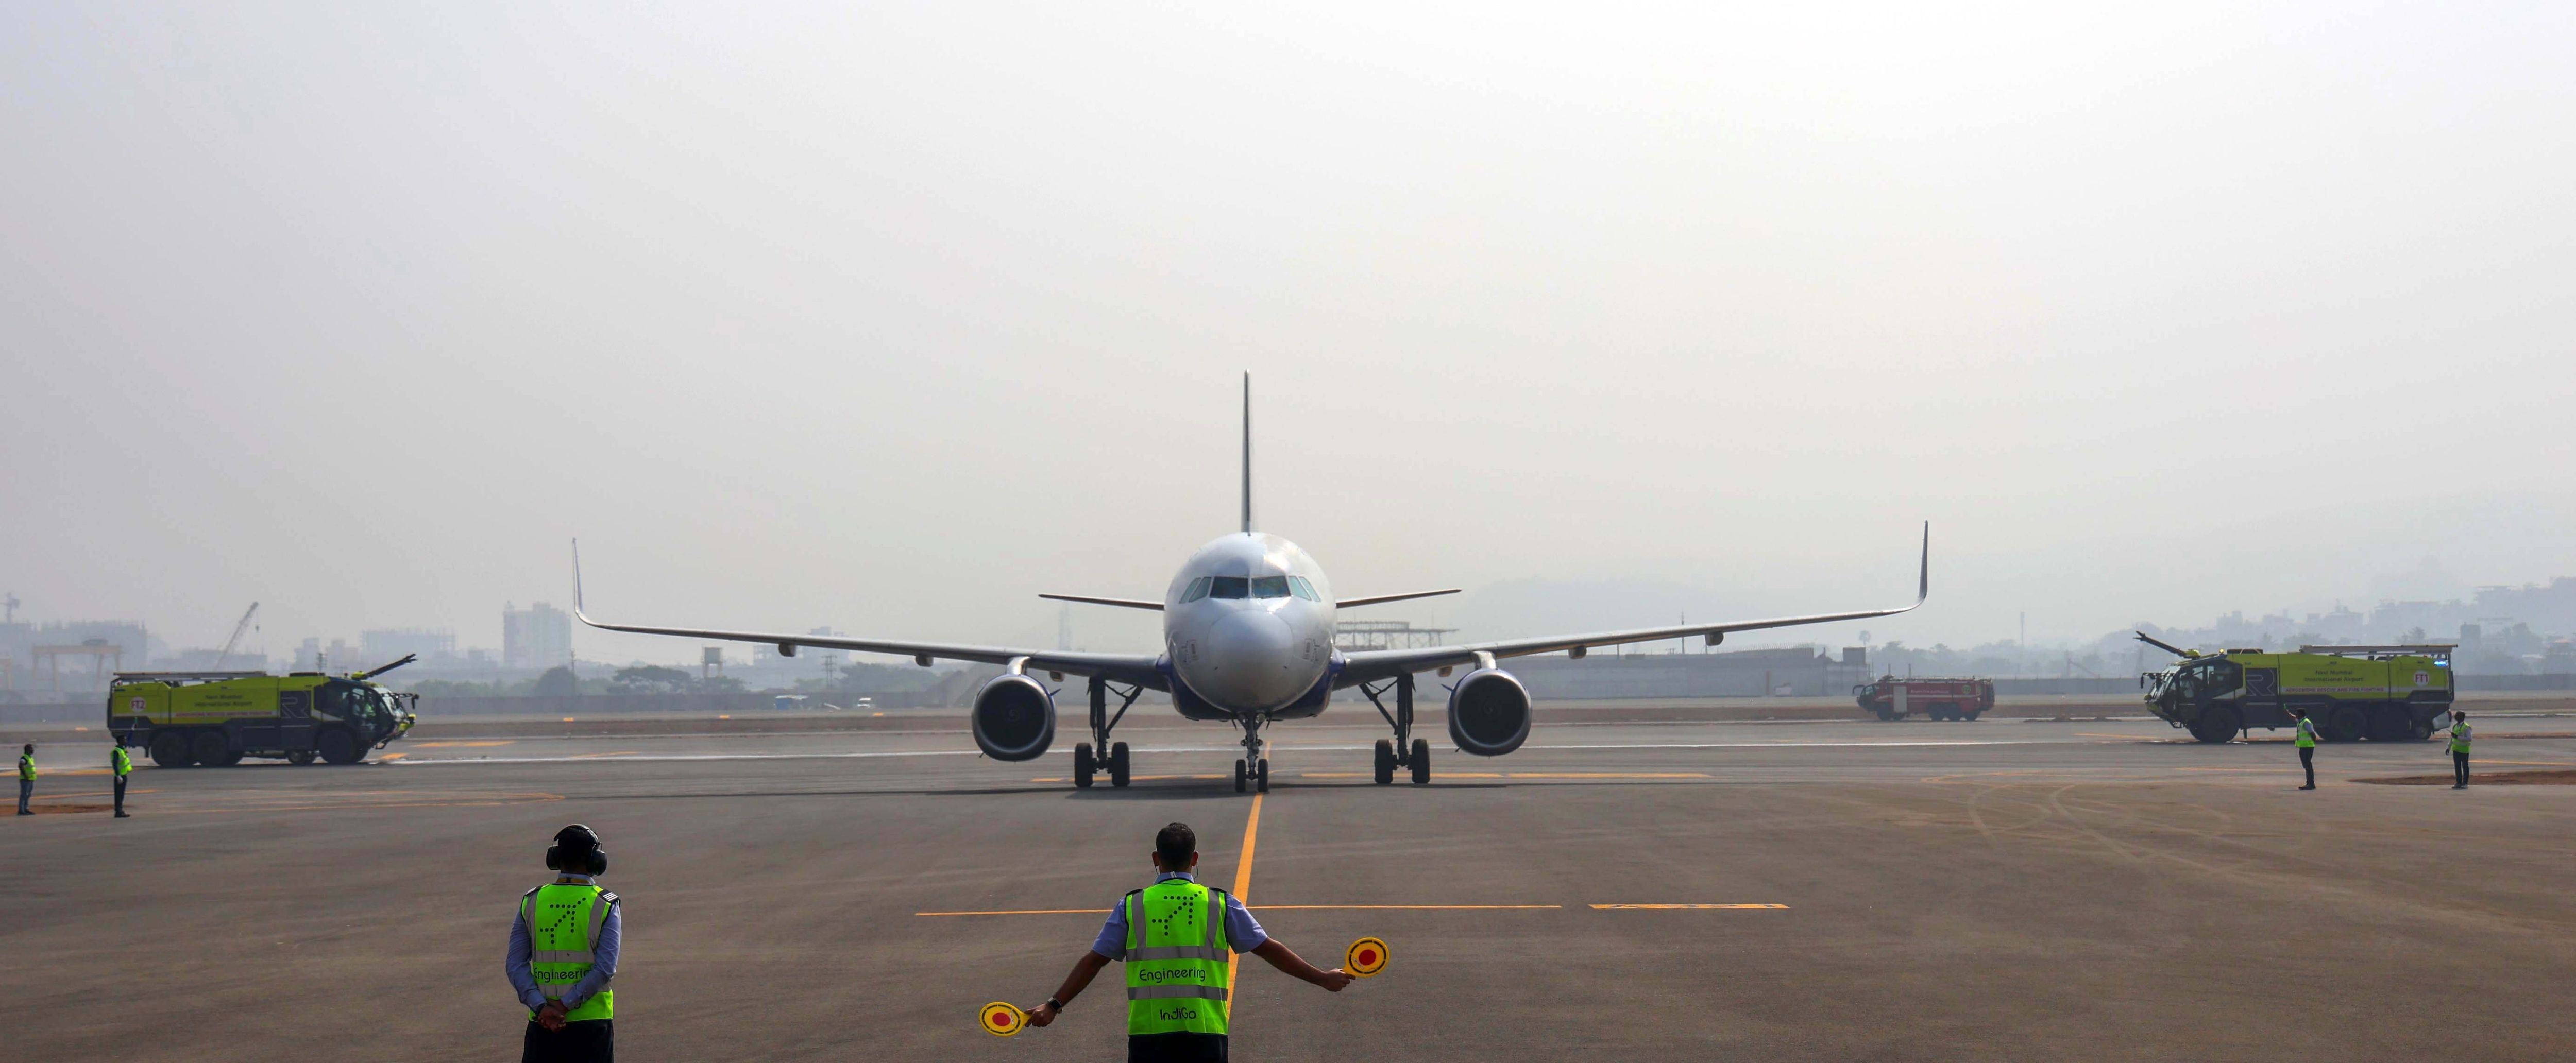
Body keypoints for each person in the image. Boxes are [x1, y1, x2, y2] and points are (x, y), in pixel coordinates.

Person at [1026, 821, 1351, 1062]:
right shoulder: (1220, 903)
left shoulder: (1133, 905)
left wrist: (1053, 1005)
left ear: (1156, 858)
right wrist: (1321, 978)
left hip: (1149, 1033)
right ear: (1195, 859)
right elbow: (1269, 949)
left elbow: (1094, 960)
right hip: (1205, 1031)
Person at [505, 824, 621, 1062]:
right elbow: (605, 968)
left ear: (555, 858)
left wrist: (542, 1008)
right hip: (591, 1024)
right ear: (596, 861)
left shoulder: (533, 901)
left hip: (543, 1025)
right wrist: (565, 1005)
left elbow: (515, 964)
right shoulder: (604, 904)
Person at [2291, 709, 2318, 790]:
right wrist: (2287, 713)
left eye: (2297, 714)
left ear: (2301, 714)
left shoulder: (2306, 722)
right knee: (2306, 765)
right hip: (2304, 747)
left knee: (2308, 765)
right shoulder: (2301, 722)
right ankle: (2309, 783)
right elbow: (2293, 718)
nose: (2296, 715)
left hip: (2308, 747)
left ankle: (2311, 784)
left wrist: (2313, 744)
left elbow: (2312, 734)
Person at [2447, 710, 2472, 790]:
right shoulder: (2455, 726)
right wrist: (2448, 748)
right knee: (2457, 767)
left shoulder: (2467, 727)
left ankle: (2465, 783)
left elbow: (2469, 739)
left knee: (2465, 767)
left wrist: (2458, 737)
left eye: (2457, 716)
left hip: (2464, 751)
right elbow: (2452, 739)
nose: (2456, 717)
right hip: (2456, 750)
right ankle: (2458, 783)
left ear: (2462, 718)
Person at [110, 743, 132, 818]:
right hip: (120, 776)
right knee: (119, 795)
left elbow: (129, 739)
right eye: (124, 740)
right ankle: (118, 811)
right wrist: (118, 776)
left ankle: (120, 810)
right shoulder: (117, 751)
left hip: (123, 774)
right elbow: (115, 764)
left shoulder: (122, 749)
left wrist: (132, 731)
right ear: (120, 741)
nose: (126, 741)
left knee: (121, 794)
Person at [16, 743, 33, 815]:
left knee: (28, 795)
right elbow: (20, 766)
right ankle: (21, 811)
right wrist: (26, 775)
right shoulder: (25, 758)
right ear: (28, 750)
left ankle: (26, 809)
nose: (33, 750)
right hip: (25, 780)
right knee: (24, 795)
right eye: (32, 749)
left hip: (30, 779)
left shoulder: (30, 758)